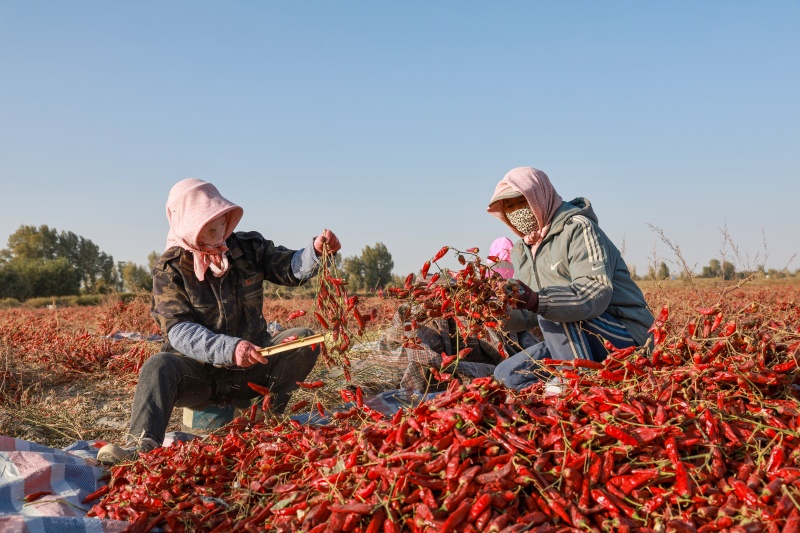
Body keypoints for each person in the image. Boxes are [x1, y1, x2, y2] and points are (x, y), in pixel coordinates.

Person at [97, 178, 341, 464]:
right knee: (158, 366)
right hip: (201, 376)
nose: (218, 236)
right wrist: (230, 349)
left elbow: (288, 267)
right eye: (207, 230)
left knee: (302, 340)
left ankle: (267, 418)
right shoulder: (171, 269)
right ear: (186, 229)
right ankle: (141, 446)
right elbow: (179, 331)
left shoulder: (247, 247)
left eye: (221, 225)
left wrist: (315, 250)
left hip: (254, 365)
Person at [486, 166, 654, 391]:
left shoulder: (578, 228)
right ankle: (553, 394)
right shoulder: (522, 250)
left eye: (521, 202)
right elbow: (528, 312)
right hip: (576, 335)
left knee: (550, 311)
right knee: (508, 374)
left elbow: (595, 292)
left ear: (538, 197)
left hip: (625, 333)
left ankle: (578, 386)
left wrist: (539, 301)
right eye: (510, 207)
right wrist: (497, 312)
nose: (517, 211)